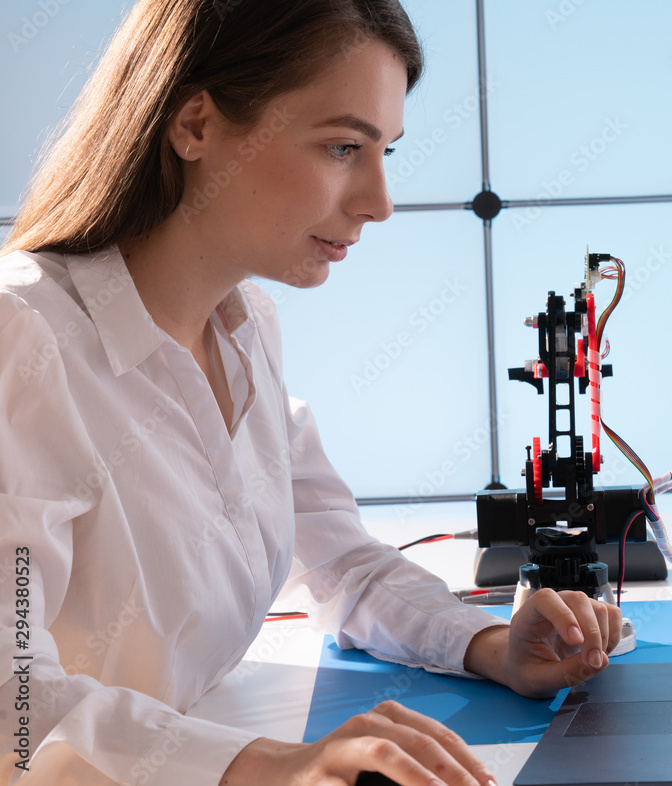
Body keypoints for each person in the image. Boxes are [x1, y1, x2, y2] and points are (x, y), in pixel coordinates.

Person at [0, 1, 622, 784]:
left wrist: (489, 645)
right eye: (342, 147)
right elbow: (11, 704)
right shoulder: (20, 337)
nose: (379, 200)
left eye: (385, 151)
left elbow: (340, 562)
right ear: (194, 125)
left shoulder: (244, 327)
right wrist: (276, 766)